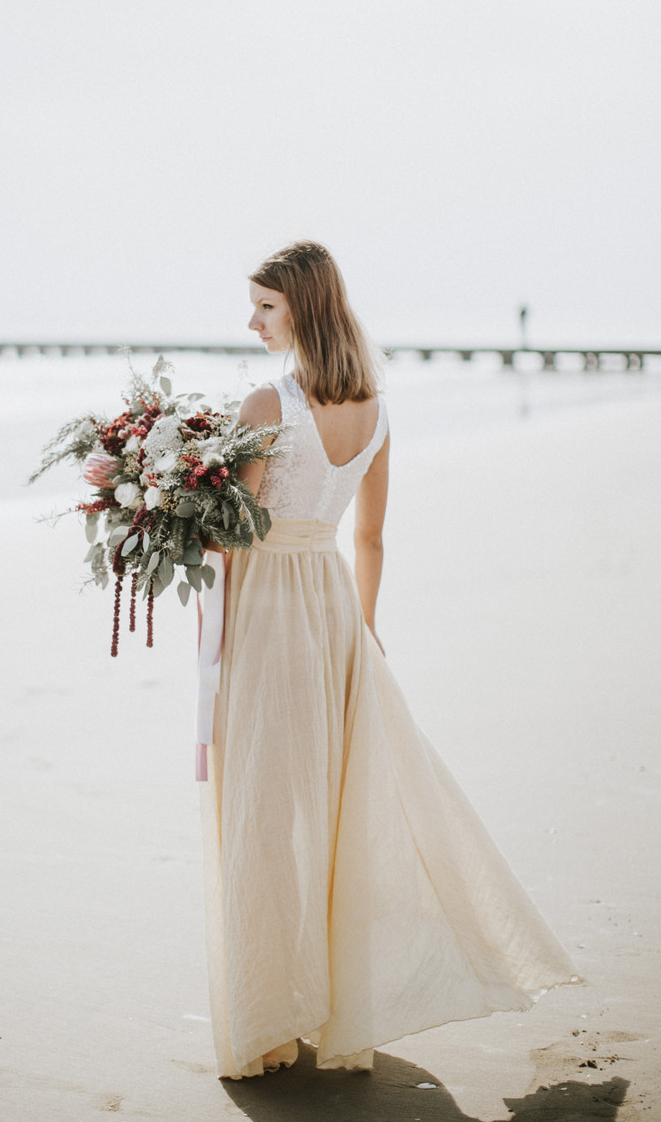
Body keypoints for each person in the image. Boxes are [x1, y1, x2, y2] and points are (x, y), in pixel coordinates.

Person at [198, 240, 579, 1080]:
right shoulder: (374, 408)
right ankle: (325, 1004)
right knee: (327, 815)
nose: (251, 322)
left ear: (300, 306)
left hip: (265, 607)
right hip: (331, 604)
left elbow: (236, 531)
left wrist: (180, 531)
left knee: (261, 813)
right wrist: (362, 631)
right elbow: (369, 536)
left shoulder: (267, 401)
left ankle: (268, 1024)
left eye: (264, 306)